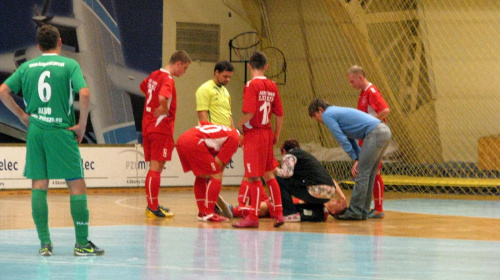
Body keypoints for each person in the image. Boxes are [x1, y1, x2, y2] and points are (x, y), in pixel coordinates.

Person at [0, 24, 104, 256]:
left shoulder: (27, 66)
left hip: (36, 130)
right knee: (76, 184)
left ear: (38, 46)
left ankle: (45, 243)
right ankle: (81, 243)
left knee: (39, 184)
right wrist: (82, 125)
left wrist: (21, 116)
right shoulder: (69, 64)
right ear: (59, 42)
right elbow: (84, 93)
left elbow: (3, 91)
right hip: (61, 129)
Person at [308, 98, 391, 221]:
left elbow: (342, 139)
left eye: (315, 116)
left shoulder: (327, 115)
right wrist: (357, 158)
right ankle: (362, 211)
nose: (317, 120)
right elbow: (350, 138)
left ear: (320, 110)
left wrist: (355, 158)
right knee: (370, 173)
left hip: (375, 133)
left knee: (361, 173)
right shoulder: (336, 112)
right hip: (384, 132)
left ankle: (355, 211)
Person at [233, 51, 285, 228]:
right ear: (266, 67)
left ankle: (253, 217)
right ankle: (278, 213)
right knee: (269, 175)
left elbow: (250, 112)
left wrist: (240, 124)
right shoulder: (272, 85)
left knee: (254, 177)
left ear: (249, 66)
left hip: (254, 134)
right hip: (267, 132)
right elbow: (279, 114)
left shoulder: (251, 85)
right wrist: (276, 134)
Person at [140, 50, 191, 218]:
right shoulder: (168, 79)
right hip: (160, 128)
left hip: (148, 125)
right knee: (156, 167)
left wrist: (155, 101)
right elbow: (163, 96)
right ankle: (153, 207)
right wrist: (163, 108)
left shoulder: (155, 74)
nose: (184, 72)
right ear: (178, 64)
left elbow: (143, 87)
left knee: (155, 167)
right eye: (185, 68)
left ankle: (152, 204)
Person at [347, 65, 390, 219]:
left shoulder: (371, 91)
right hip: (368, 136)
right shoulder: (363, 93)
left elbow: (385, 110)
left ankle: (378, 208)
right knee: (371, 171)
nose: (352, 85)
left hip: (374, 136)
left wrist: (369, 123)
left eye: (353, 81)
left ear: (360, 77)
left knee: (375, 171)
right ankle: (371, 207)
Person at [176, 122, 240, 222]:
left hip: (182, 140)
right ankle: (209, 212)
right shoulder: (235, 138)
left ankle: (202, 212)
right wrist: (215, 185)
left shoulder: (225, 130)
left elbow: (202, 123)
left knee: (201, 176)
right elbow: (218, 165)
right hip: (194, 142)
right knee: (216, 175)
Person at [275, 139, 347, 222]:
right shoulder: (306, 157)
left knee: (279, 179)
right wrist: (342, 196)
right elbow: (331, 180)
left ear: (283, 151)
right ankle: (319, 211)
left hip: (314, 190)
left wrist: (274, 169)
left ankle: (290, 213)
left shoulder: (289, 155)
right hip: (329, 194)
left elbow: (286, 174)